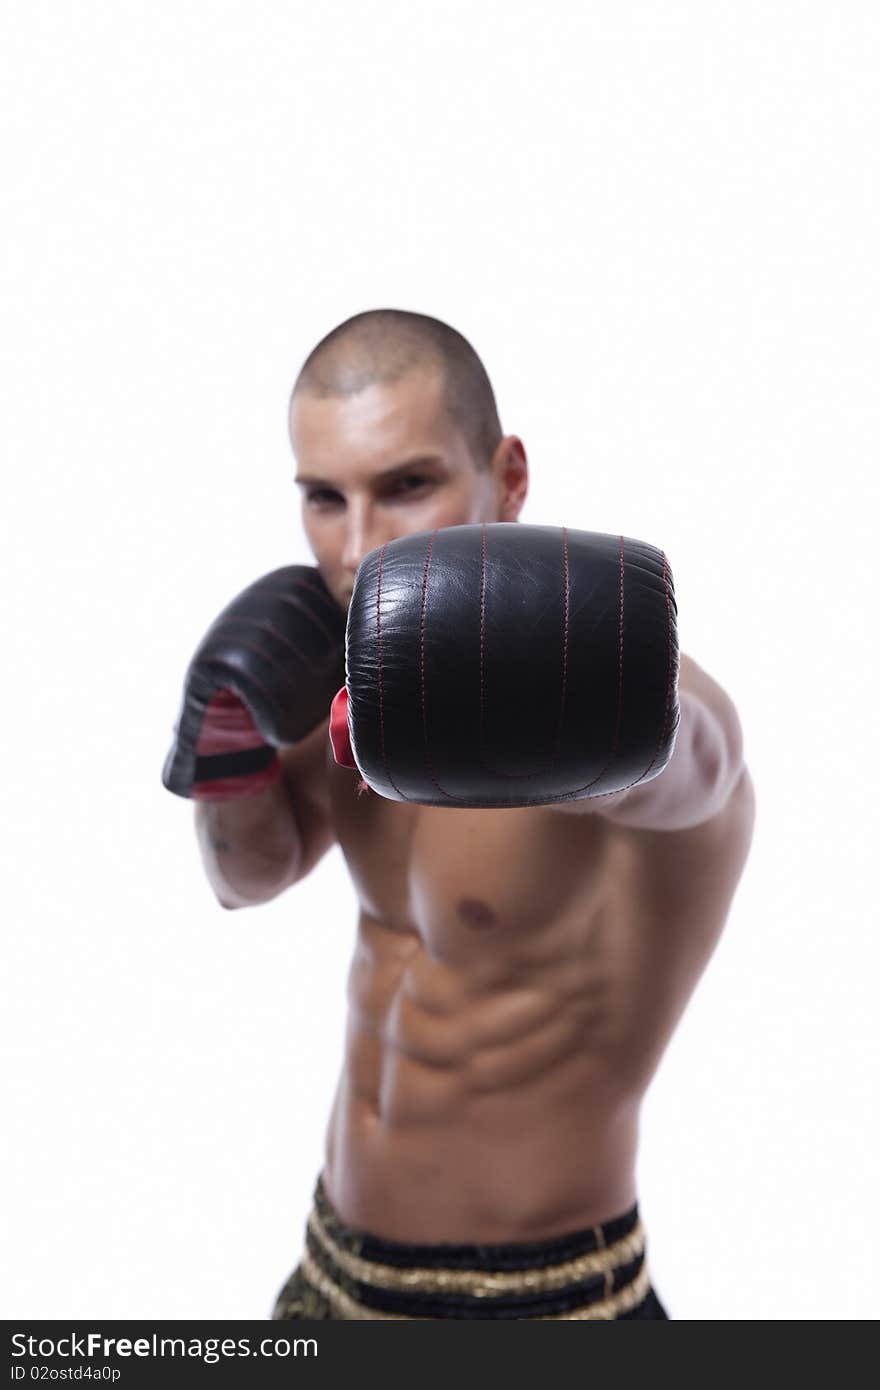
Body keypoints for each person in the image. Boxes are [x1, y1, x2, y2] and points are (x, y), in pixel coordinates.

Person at [162, 309, 756, 1320]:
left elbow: (700, 767)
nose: (354, 548)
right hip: (329, 1272)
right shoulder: (350, 678)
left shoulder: (616, 691)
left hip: (542, 1303)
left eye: (405, 486)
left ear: (508, 477)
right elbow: (244, 878)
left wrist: (564, 712)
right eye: (322, 498)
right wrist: (230, 752)